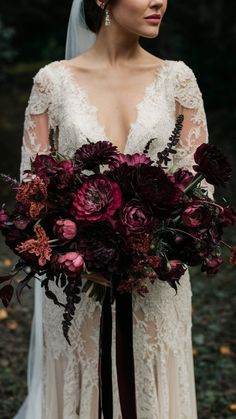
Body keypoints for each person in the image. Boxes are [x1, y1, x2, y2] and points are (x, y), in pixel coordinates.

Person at [14, 0, 215, 418]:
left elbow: (201, 192)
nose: (160, 0)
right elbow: (30, 195)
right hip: (78, 285)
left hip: (154, 284)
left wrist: (155, 248)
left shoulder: (179, 79)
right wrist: (74, 252)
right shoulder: (52, 83)